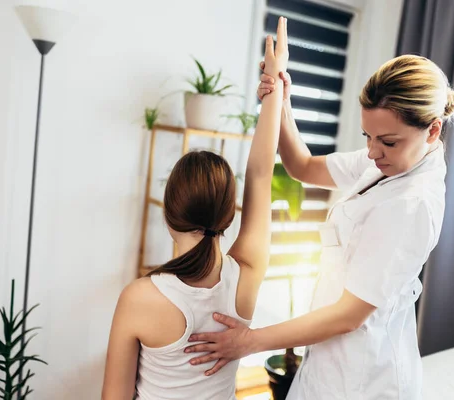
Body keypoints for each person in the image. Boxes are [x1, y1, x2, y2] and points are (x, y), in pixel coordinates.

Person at [184, 54, 454, 399]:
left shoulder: (412, 204)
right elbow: (303, 167)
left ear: (432, 129)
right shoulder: (388, 162)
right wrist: (283, 101)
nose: (373, 152)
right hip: (328, 363)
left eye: (387, 141)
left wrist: (249, 341)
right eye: (367, 136)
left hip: (364, 378)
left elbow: (348, 316)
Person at [101, 16, 288, 400]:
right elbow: (259, 175)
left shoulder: (140, 297)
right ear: (228, 215)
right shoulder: (246, 277)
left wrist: (273, 92)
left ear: (169, 216)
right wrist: (275, 92)